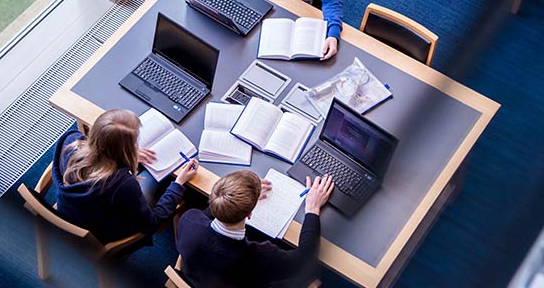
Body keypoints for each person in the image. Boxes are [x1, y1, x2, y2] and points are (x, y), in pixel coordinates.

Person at [53, 109, 199, 244]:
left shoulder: (71, 141)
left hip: (72, 208)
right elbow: (152, 224)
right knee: (163, 179)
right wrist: (179, 182)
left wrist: (125, 155)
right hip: (102, 229)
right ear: (125, 149)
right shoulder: (122, 184)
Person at [177, 170, 334, 287]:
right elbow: (304, 259)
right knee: (313, 269)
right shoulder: (259, 256)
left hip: (199, 277)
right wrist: (312, 208)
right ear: (250, 213)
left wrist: (235, 197)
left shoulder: (189, 219)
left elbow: (208, 213)